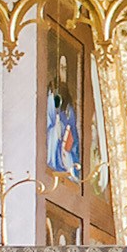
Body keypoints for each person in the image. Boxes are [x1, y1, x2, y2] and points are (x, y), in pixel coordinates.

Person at [45, 51, 81, 181]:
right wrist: (58, 126)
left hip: (66, 144)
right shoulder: (52, 91)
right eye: (61, 68)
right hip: (55, 139)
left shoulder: (69, 99)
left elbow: (72, 124)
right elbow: (49, 119)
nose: (63, 72)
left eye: (65, 69)